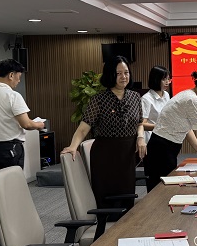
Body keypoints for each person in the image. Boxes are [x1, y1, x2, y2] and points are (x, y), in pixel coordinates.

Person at [62, 56, 145, 211]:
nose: (123, 76)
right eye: (118, 73)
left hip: (127, 154)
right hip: (105, 155)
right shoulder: (99, 99)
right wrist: (73, 146)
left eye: (126, 72)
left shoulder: (135, 97)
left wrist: (140, 138)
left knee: (126, 196)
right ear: (110, 75)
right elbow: (83, 128)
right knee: (107, 198)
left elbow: (139, 123)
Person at [0, 58, 45, 246]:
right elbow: (26, 124)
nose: (18, 81)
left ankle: (3, 238)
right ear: (10, 75)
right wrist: (40, 125)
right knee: (10, 194)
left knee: (7, 192)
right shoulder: (12, 96)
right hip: (12, 148)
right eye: (18, 77)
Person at [141, 65, 170, 144]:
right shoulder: (146, 99)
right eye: (164, 79)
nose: (167, 82)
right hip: (151, 139)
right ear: (156, 79)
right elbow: (142, 124)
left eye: (168, 79)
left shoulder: (166, 95)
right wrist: (161, 127)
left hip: (165, 137)